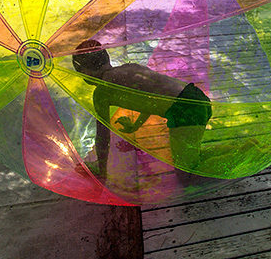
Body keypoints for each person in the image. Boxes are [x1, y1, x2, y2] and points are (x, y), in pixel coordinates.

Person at [71, 40, 211, 179]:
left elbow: (103, 135)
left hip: (185, 110)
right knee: (191, 157)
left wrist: (102, 170)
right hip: (196, 96)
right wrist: (135, 125)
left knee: (185, 176)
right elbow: (152, 98)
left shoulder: (102, 92)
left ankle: (229, 163)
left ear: (84, 72)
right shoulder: (130, 67)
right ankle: (220, 158)